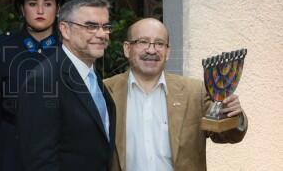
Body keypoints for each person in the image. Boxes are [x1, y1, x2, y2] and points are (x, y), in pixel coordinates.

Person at [104, 18, 248, 171]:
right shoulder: (105, 91)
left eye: (159, 44)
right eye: (143, 42)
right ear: (127, 49)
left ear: (167, 52)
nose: (151, 50)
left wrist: (233, 115)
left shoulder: (195, 92)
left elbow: (227, 136)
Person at [17, 0, 116, 171]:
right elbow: (40, 161)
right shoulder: (44, 81)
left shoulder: (91, 75)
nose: (102, 34)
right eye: (91, 26)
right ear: (65, 29)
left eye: (106, 26)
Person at [0, 0, 65, 170]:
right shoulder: (1, 50)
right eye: (32, 3)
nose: (40, 10)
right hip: (12, 148)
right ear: (22, 8)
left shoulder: (70, 51)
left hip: (60, 148)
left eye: (47, 3)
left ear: (58, 8)